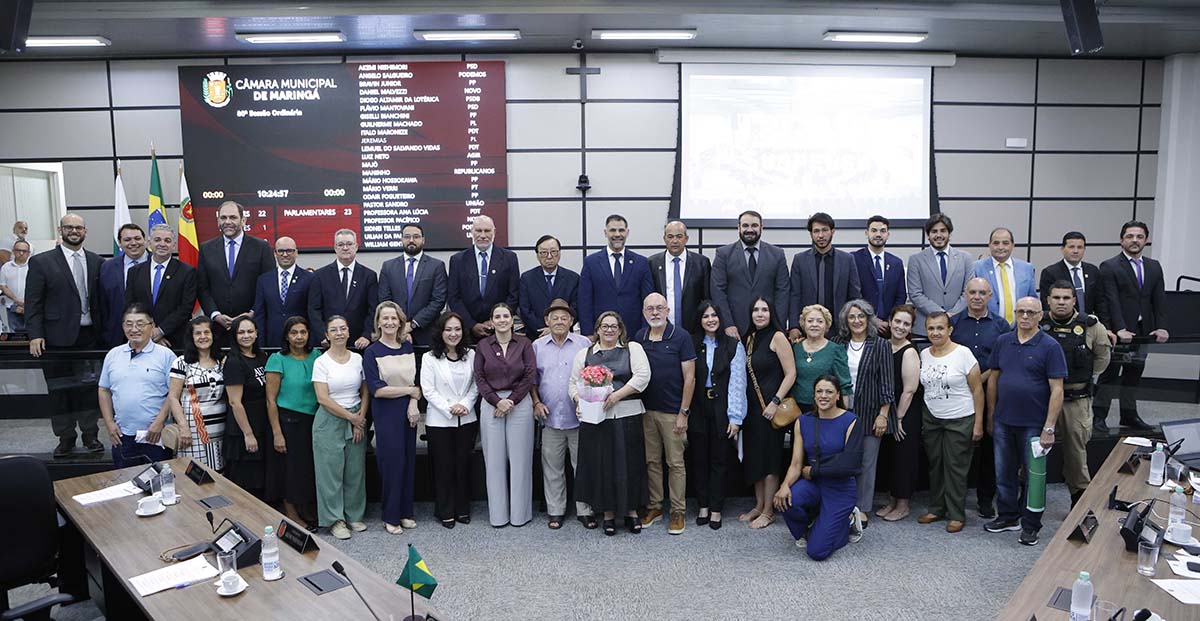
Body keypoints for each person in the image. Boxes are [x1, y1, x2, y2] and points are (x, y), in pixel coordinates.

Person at [985, 297, 1067, 546]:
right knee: (1003, 473)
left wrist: (1049, 427)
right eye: (1020, 311)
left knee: (1035, 478)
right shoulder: (1003, 341)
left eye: (1031, 312)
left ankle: (1031, 525)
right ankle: (1008, 516)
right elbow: (993, 380)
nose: (1025, 316)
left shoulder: (1050, 346)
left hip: (1034, 424)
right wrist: (991, 414)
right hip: (1003, 421)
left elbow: (1057, 390)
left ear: (1040, 315)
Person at [25, 214, 105, 456]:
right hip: (55, 339)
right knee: (59, 391)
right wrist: (34, 334)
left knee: (88, 391)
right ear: (61, 230)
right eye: (69, 227)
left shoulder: (97, 261)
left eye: (78, 227)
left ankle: (90, 436)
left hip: (89, 337)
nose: (74, 231)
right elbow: (33, 302)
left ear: (85, 231)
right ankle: (66, 437)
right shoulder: (41, 262)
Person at [571, 310, 651, 536]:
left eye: (613, 326)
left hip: (628, 414)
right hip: (596, 419)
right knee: (602, 466)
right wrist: (579, 401)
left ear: (620, 329)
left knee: (630, 465)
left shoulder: (633, 349)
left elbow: (643, 376)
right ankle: (607, 514)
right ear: (597, 330)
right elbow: (573, 383)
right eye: (604, 326)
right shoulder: (585, 353)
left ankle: (632, 512)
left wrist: (616, 396)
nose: (609, 330)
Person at [775, 375, 863, 561]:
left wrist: (814, 470)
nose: (823, 396)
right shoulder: (803, 421)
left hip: (840, 489)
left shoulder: (851, 420)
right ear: (814, 395)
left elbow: (850, 464)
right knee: (786, 500)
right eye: (819, 391)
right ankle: (813, 527)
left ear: (837, 395)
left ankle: (847, 522)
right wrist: (784, 486)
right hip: (813, 484)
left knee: (817, 552)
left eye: (829, 392)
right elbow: (796, 464)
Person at [1095, 220, 1168, 433]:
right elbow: (1110, 300)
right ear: (1121, 240)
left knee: (1134, 374)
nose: (1134, 240)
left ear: (1146, 240)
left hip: (1144, 332)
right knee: (1109, 375)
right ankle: (1099, 417)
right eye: (1130, 236)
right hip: (1118, 333)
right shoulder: (1110, 266)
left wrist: (1161, 326)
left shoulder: (1154, 266)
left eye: (1139, 237)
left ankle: (1129, 415)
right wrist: (1119, 328)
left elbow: (1159, 299)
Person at [1042, 281, 1112, 506]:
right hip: (1042, 399)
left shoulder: (1091, 326)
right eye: (1056, 298)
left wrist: (1084, 378)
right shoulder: (1038, 322)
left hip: (1076, 399)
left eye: (1066, 298)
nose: (1061, 302)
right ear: (1048, 300)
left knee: (1076, 454)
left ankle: (1079, 501)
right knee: (1034, 450)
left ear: (1074, 300)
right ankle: (1028, 496)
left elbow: (1102, 358)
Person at [634, 292, 697, 535]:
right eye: (650, 308)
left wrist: (684, 412)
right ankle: (655, 506)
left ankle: (678, 511)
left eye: (659, 308)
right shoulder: (640, 337)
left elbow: (690, 378)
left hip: (673, 412)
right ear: (643, 312)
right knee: (651, 461)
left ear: (668, 311)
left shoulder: (681, 336)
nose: (655, 312)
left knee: (675, 463)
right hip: (646, 411)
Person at [917, 311, 985, 534]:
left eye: (940, 328)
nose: (935, 332)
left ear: (950, 330)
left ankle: (956, 514)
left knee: (955, 467)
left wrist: (978, 423)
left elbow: (977, 390)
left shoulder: (963, 353)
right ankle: (937, 508)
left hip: (960, 418)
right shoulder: (924, 354)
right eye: (931, 328)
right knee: (935, 464)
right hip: (932, 418)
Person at [950, 277, 1009, 520]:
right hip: (959, 394)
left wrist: (978, 380)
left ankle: (985, 499)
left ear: (990, 296)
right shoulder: (954, 323)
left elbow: (1003, 361)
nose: (977, 297)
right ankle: (955, 499)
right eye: (972, 292)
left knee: (988, 447)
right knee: (958, 447)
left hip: (991, 390)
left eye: (982, 293)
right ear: (965, 294)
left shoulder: (1001, 326)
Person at [473, 302, 537, 527]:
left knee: (521, 461)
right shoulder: (483, 345)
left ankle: (520, 515)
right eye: (497, 317)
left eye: (506, 316)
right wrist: (497, 401)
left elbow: (529, 374)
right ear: (492, 321)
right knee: (494, 461)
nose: (502, 320)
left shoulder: (525, 343)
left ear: (512, 320)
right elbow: (479, 377)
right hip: (491, 404)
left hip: (519, 402)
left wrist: (511, 400)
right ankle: (498, 516)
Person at [530, 299, 592, 529]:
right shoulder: (537, 346)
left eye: (564, 318)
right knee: (552, 468)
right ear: (546, 321)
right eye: (554, 318)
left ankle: (585, 510)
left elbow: (594, 376)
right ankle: (555, 511)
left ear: (571, 321)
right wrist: (536, 402)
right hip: (550, 418)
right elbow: (532, 379)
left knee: (582, 467)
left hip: (579, 417)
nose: (559, 321)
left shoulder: (583, 343)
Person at [833, 299, 893, 530]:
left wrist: (883, 414)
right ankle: (842, 505)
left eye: (861, 316)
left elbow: (887, 383)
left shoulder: (880, 345)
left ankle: (863, 508)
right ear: (845, 321)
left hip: (870, 412)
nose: (856, 321)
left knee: (867, 463)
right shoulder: (837, 343)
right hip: (841, 413)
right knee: (841, 461)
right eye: (852, 317)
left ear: (869, 319)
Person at [363, 302, 421, 535]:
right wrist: (410, 392)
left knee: (408, 462)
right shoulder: (372, 352)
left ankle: (405, 512)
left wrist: (414, 402)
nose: (389, 322)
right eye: (385, 318)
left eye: (393, 318)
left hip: (409, 411)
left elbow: (415, 383)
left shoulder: (407, 346)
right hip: (387, 412)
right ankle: (390, 515)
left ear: (400, 322)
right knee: (392, 464)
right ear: (378, 322)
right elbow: (377, 389)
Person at [97, 303, 178, 469]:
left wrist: (159, 422)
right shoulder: (113, 355)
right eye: (129, 324)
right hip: (123, 435)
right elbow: (104, 390)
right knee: (125, 481)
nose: (134, 329)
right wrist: (109, 423)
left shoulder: (166, 355)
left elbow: (174, 393)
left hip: (156, 435)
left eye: (140, 324)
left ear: (152, 326)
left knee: (159, 481)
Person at [689, 300, 747, 530]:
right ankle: (703, 505)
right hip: (697, 407)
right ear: (700, 320)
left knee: (719, 460)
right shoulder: (692, 343)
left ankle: (716, 508)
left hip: (722, 407)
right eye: (706, 316)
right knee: (699, 459)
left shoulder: (733, 345)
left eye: (714, 315)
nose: (710, 319)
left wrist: (735, 417)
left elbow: (738, 383)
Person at [742, 297, 798, 530]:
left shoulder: (778, 337)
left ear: (771, 313)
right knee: (755, 458)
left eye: (764, 309)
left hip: (771, 409)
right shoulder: (749, 338)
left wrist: (775, 401)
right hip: (752, 410)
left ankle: (769, 511)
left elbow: (791, 373)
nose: (760, 314)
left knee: (770, 460)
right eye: (755, 310)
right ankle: (758, 505)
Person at [312, 316, 370, 540]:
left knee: (355, 470)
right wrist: (351, 418)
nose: (339, 333)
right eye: (334, 330)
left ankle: (354, 515)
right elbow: (322, 398)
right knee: (330, 473)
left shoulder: (357, 359)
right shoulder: (321, 362)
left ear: (348, 332)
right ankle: (335, 520)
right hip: (330, 418)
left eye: (343, 329)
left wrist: (360, 417)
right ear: (327, 335)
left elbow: (365, 390)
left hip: (356, 416)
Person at [421, 311, 479, 528]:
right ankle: (444, 510)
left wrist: (465, 405)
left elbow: (477, 384)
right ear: (441, 332)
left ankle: (462, 509)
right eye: (448, 329)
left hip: (466, 417)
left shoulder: (471, 355)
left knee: (462, 465)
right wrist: (449, 408)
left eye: (457, 329)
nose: (453, 334)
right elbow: (428, 390)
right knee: (443, 467)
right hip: (440, 420)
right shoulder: (429, 357)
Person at [264, 316, 321, 530]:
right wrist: (277, 432)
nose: (299, 337)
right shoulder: (277, 359)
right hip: (288, 421)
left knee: (307, 468)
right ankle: (291, 513)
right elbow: (271, 400)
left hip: (313, 419)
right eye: (294, 332)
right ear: (286, 336)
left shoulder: (317, 356)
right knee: (290, 470)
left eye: (303, 332)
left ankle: (306, 508)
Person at [197, 201, 274, 345]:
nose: (227, 222)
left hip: (251, 328)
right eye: (223, 218)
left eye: (233, 217)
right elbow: (203, 287)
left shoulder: (261, 247)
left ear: (243, 220)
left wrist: (252, 312)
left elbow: (269, 286)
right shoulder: (206, 249)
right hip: (218, 329)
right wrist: (215, 314)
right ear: (218, 221)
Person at [223, 316, 282, 502]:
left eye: (250, 331)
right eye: (241, 332)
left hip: (262, 426)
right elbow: (235, 402)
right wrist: (248, 434)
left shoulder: (263, 357)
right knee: (247, 485)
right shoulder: (233, 362)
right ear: (234, 335)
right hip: (243, 431)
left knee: (263, 481)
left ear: (257, 333)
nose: (246, 335)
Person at [711, 210, 790, 340]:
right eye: (745, 225)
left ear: (761, 228)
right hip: (734, 329)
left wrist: (778, 326)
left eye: (754, 225)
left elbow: (783, 292)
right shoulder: (723, 254)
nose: (750, 230)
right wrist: (728, 323)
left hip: (768, 329)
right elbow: (717, 292)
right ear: (739, 228)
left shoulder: (777, 254)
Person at [876, 304, 922, 522]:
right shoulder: (884, 345)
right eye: (897, 321)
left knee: (903, 457)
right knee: (890, 456)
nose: (901, 327)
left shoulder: (910, 351)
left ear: (911, 328)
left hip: (905, 413)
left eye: (906, 324)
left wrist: (899, 418)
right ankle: (892, 501)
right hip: (888, 410)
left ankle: (903, 505)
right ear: (890, 321)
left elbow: (909, 389)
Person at [578, 214, 654, 335]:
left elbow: (648, 301)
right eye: (613, 230)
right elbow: (584, 302)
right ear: (605, 232)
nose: (617, 234)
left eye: (621, 230)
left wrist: (645, 332)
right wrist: (588, 334)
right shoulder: (591, 262)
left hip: (634, 333)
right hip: (602, 333)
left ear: (627, 232)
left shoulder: (641, 262)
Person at [788, 212, 861, 337]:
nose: (821, 235)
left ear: (832, 231)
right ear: (811, 234)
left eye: (825, 230)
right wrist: (793, 326)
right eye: (816, 231)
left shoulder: (847, 260)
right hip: (808, 329)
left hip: (839, 330)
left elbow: (854, 296)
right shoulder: (800, 260)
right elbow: (795, 295)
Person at [447, 215, 520, 340]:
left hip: (501, 329)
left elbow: (513, 294)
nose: (483, 235)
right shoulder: (457, 260)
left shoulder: (509, 258)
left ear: (494, 232)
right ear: (472, 232)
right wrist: (472, 324)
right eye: (478, 231)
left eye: (487, 231)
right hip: (467, 331)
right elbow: (454, 297)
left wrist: (495, 321)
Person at [379, 223, 448, 352]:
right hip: (395, 333)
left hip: (427, 334)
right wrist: (400, 326)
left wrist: (413, 324)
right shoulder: (388, 267)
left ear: (423, 240)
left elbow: (438, 300)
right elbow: (385, 300)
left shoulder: (436, 266)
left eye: (416, 236)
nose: (411, 240)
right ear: (401, 239)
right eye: (407, 237)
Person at [125, 224, 197, 348]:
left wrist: (161, 331)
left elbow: (186, 307)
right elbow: (131, 305)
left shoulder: (187, 271)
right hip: (141, 337)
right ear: (149, 243)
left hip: (174, 340)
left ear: (174, 245)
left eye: (167, 240)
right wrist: (149, 332)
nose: (162, 244)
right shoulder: (135, 272)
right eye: (157, 240)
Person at [167, 317, 225, 471]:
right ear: (191, 337)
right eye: (198, 333)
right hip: (192, 432)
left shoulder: (222, 361)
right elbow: (173, 397)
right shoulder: (182, 363)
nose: (203, 336)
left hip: (221, 430)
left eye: (207, 332)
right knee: (194, 475)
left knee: (220, 475)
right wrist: (183, 427)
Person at [308, 229, 378, 349]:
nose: (345, 248)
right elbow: (314, 309)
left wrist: (366, 335)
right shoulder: (319, 275)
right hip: (328, 342)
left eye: (349, 244)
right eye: (341, 244)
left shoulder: (369, 276)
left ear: (356, 247)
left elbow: (373, 309)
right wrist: (322, 335)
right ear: (335, 248)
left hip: (359, 343)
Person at [906, 213, 973, 337]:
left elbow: (968, 292)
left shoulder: (965, 258)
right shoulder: (916, 260)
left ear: (949, 234)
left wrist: (952, 314)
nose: (938, 235)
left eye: (943, 231)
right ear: (928, 235)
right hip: (926, 329)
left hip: (958, 325)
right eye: (934, 231)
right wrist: (942, 315)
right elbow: (915, 294)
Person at [253, 236, 315, 349]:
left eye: (289, 251)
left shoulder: (309, 278)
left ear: (296, 253)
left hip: (301, 342)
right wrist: (260, 346)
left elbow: (313, 313)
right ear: (275, 253)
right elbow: (260, 315)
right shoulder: (264, 280)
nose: (285, 254)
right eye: (281, 251)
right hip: (273, 342)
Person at [649, 221, 711, 333]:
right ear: (664, 239)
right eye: (670, 237)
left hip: (694, 330)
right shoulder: (652, 263)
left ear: (686, 239)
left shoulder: (701, 263)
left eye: (679, 236)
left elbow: (707, 299)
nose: (675, 241)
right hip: (661, 329)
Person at [791, 305, 853, 413]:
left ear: (826, 325)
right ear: (803, 324)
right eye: (810, 321)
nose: (814, 324)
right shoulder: (794, 348)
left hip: (826, 408)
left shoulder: (836, 350)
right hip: (796, 409)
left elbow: (844, 384)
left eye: (820, 321)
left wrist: (842, 413)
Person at [973, 227, 1037, 325]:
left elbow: (1032, 299)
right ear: (989, 245)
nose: (1000, 247)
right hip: (987, 326)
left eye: (1005, 243)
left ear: (1013, 245)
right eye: (996, 243)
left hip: (1020, 327)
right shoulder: (977, 268)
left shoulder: (1026, 268)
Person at [519, 235, 579, 339]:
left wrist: (554, 329)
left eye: (554, 252)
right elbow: (525, 310)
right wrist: (543, 329)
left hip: (565, 336)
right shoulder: (527, 278)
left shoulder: (573, 278)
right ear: (537, 256)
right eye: (544, 253)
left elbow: (575, 308)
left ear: (559, 253)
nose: (549, 256)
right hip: (536, 335)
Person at [98, 223, 147, 347]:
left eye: (137, 238)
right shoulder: (107, 268)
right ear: (119, 243)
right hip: (115, 336)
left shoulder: (157, 265)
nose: (133, 243)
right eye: (127, 239)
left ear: (145, 240)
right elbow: (102, 303)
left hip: (151, 335)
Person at [851, 215, 907, 324]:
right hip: (862, 322)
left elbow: (901, 296)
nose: (878, 234)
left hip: (889, 325)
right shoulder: (853, 259)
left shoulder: (896, 263)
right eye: (874, 230)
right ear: (866, 233)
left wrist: (891, 320)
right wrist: (871, 319)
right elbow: (853, 295)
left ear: (888, 234)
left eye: (882, 231)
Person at [1039, 231, 1101, 316]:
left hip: (1089, 321)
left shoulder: (1093, 270)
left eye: (1080, 247)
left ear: (1084, 249)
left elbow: (1100, 301)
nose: (1075, 251)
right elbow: (1047, 304)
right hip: (1062, 321)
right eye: (1071, 247)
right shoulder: (1050, 272)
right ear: (1062, 249)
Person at [0, 238, 31, 332]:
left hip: (31, 306)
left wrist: (26, 303)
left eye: (24, 251)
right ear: (13, 251)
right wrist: (16, 300)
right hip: (11, 306)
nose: (21, 253)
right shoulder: (6, 267)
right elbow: (3, 286)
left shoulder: (34, 266)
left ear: (29, 253)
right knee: (13, 335)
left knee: (32, 334)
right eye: (18, 250)